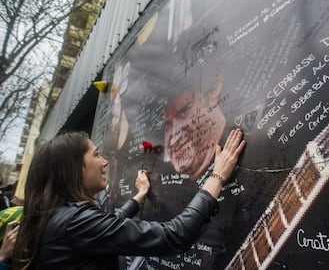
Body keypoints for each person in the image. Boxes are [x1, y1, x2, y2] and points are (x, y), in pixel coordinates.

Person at [12, 128, 245, 269]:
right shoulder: (75, 222)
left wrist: (139, 196)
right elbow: (175, 236)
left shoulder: (58, 218)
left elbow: (109, 225)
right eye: (96, 154)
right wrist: (217, 176)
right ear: (74, 169)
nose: (104, 162)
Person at [164, 74, 226, 180]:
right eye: (167, 124)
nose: (173, 141)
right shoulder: (161, 182)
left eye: (184, 111)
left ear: (213, 91)